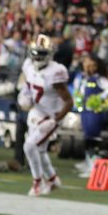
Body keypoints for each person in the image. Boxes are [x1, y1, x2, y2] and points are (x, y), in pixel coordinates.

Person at [19, 35, 71, 196]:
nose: (38, 56)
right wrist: (24, 95)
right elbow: (27, 85)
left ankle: (37, 182)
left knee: (29, 146)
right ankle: (53, 179)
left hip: (52, 116)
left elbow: (69, 102)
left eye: (42, 53)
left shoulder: (55, 72)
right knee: (39, 150)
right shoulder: (28, 65)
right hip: (37, 112)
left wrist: (55, 120)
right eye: (36, 52)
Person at [70, 55, 108, 177]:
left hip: (94, 112)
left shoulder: (100, 79)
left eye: (91, 64)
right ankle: (89, 163)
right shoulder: (82, 78)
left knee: (93, 139)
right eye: (86, 63)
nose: (88, 67)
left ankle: (94, 167)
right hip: (85, 111)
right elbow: (77, 90)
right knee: (87, 138)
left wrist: (98, 98)